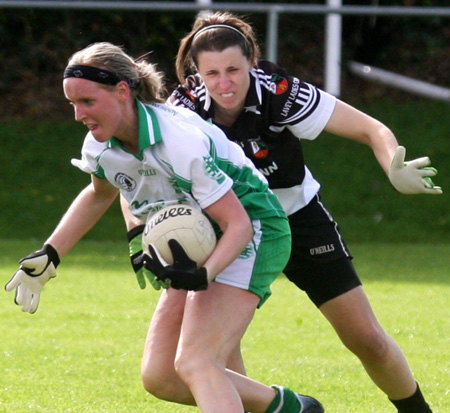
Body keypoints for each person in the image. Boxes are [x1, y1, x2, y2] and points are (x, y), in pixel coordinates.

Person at [122, 12, 441, 413]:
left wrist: (393, 161)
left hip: (297, 219)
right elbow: (135, 165)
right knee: (212, 355)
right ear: (195, 74)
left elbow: (369, 128)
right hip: (226, 230)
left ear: (252, 60)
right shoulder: (182, 110)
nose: (224, 83)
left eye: (234, 69)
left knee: (366, 338)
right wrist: (138, 229)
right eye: (212, 73)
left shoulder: (280, 92)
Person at [5, 42, 325, 413]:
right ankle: (288, 408)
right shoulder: (101, 145)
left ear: (123, 91)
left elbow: (237, 223)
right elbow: (98, 194)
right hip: (202, 234)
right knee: (160, 376)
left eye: (87, 102)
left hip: (254, 228)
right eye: (72, 104)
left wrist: (204, 275)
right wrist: (50, 254)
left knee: (196, 362)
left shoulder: (178, 141)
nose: (78, 115)